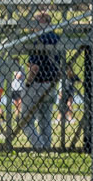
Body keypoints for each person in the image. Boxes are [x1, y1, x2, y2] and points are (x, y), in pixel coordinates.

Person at [18, 12, 61, 149]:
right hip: (51, 84)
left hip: (36, 84)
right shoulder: (57, 38)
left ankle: (39, 147)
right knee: (45, 120)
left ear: (43, 22)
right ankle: (46, 147)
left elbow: (34, 67)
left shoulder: (38, 39)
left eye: (36, 21)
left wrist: (27, 83)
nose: (33, 26)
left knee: (25, 120)